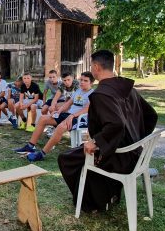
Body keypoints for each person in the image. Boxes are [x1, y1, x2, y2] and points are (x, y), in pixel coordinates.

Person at [58, 50, 158, 213]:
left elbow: (116, 125)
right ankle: (109, 196)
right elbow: (152, 116)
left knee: (66, 159)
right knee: (82, 153)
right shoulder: (128, 88)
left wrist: (96, 141)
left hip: (120, 158)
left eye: (91, 66)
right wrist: (137, 141)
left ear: (97, 67)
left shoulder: (102, 94)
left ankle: (92, 204)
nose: (91, 69)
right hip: (136, 154)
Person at [14, 71, 95, 162]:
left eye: (85, 81)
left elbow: (86, 109)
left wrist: (72, 116)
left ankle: (42, 154)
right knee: (43, 118)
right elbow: (68, 104)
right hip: (69, 115)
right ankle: (30, 146)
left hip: (80, 119)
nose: (82, 82)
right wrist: (58, 112)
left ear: (91, 83)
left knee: (61, 127)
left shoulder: (92, 94)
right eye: (81, 80)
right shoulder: (78, 90)